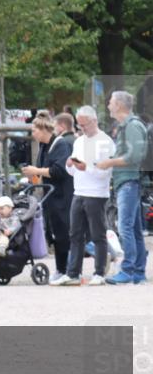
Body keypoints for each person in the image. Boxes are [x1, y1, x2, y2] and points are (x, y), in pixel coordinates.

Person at [96, 90, 149, 284]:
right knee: (133, 229)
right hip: (127, 182)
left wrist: (108, 163)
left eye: (110, 102)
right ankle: (138, 272)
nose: (108, 105)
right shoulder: (127, 126)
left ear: (119, 105)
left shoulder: (132, 126)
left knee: (125, 227)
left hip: (129, 182)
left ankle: (127, 271)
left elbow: (134, 158)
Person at [61, 106, 115, 286]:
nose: (82, 128)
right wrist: (70, 165)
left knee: (97, 234)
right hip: (79, 191)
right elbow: (71, 171)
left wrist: (88, 168)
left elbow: (106, 172)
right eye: (79, 125)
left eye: (84, 125)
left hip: (97, 193)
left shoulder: (105, 142)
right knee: (75, 234)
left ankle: (99, 272)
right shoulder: (78, 142)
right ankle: (73, 272)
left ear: (94, 121)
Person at [22, 114, 74, 281]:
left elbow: (59, 170)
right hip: (50, 196)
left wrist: (36, 171)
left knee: (63, 232)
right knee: (54, 232)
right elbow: (41, 172)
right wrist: (32, 176)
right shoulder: (43, 147)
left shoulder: (61, 145)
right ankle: (61, 268)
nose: (33, 133)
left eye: (34, 130)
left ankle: (65, 269)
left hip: (63, 196)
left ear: (44, 129)